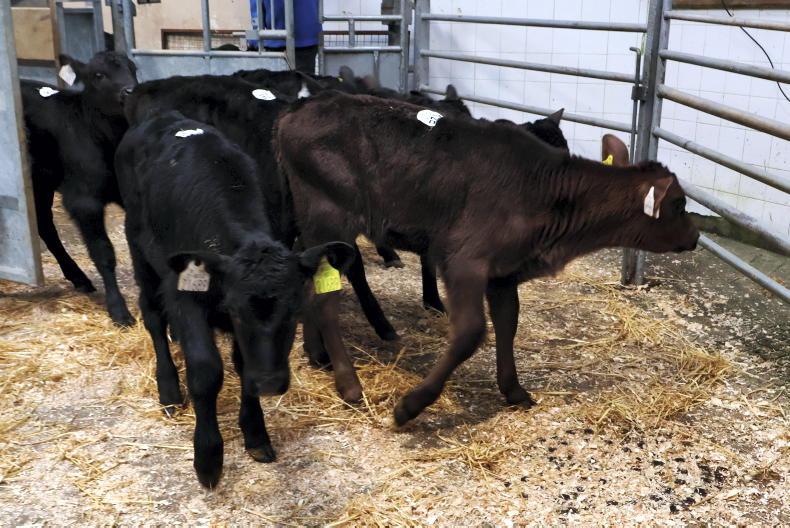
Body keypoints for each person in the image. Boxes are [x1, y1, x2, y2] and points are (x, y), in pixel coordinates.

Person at [248, 0, 321, 74]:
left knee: (276, 82)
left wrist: (255, 40)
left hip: (278, 39)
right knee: (304, 81)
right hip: (303, 39)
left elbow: (255, 9)